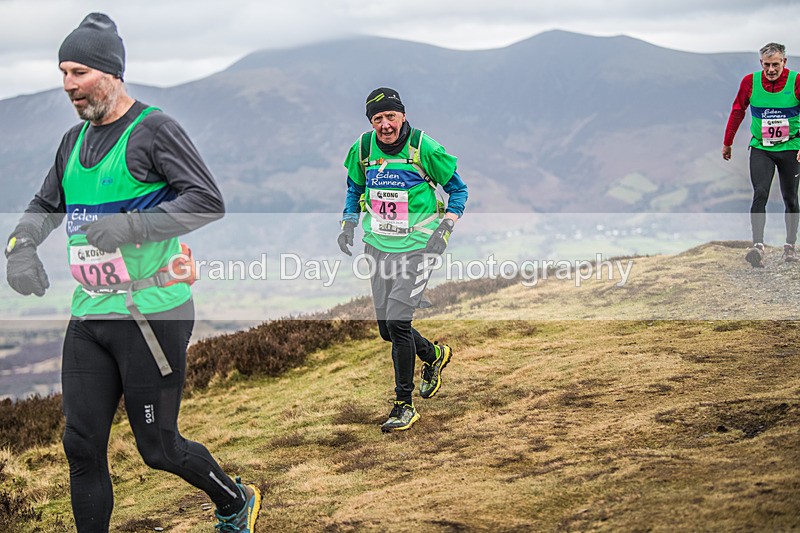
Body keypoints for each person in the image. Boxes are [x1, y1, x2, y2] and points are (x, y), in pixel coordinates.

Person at [4, 13, 260, 532]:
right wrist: (20, 245)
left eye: (79, 72)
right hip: (91, 314)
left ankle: (235, 500)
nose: (69, 86)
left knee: (158, 447)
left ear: (111, 72)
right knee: (80, 443)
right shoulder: (72, 144)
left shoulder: (153, 130)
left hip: (152, 313)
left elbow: (208, 201)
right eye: (63, 73)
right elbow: (45, 203)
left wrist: (130, 227)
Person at [338, 87, 468, 432]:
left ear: (403, 115)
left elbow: (459, 190)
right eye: (377, 118)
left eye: (390, 116)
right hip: (378, 245)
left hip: (420, 247)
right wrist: (348, 222)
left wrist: (446, 227)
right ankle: (434, 355)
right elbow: (354, 188)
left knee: (397, 322)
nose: (385, 125)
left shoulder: (425, 147)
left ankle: (403, 405)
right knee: (387, 329)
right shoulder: (363, 148)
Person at [723, 42, 800, 267]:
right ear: (761, 64)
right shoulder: (750, 82)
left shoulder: (796, 82)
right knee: (760, 192)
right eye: (767, 65)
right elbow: (738, 110)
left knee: (791, 198)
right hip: (761, 147)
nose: (771, 70)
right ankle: (757, 246)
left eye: (775, 64)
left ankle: (790, 246)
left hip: (790, 147)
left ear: (784, 62)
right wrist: (727, 142)